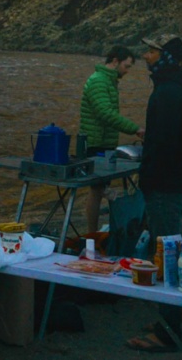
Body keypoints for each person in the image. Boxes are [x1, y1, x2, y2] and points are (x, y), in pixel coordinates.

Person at [128, 33, 182, 354]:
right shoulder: (174, 89)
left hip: (166, 187)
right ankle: (167, 321)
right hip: (172, 183)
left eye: (152, 51)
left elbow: (165, 146)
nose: (146, 56)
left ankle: (168, 333)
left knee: (167, 254)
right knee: (167, 250)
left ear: (165, 56)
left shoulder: (167, 94)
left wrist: (149, 178)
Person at [78, 45, 145, 234]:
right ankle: (92, 234)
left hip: (104, 142)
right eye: (126, 65)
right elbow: (105, 113)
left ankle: (98, 232)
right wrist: (135, 129)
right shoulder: (99, 81)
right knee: (97, 189)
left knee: (100, 189)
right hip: (95, 143)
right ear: (115, 61)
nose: (127, 70)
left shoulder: (108, 81)